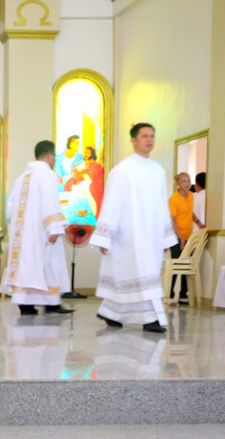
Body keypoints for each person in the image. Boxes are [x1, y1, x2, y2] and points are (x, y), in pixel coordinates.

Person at [91, 123, 177, 333]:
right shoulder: (122, 170)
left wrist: (165, 238)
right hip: (128, 234)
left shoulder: (158, 171)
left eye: (152, 136)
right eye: (144, 136)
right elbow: (111, 203)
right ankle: (151, 319)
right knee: (140, 274)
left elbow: (161, 204)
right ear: (133, 140)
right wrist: (105, 237)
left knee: (137, 276)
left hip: (151, 235)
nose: (149, 140)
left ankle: (110, 311)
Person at [0, 141, 74, 315]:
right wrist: (54, 227)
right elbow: (49, 201)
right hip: (41, 231)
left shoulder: (23, 177)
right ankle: (51, 303)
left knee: (27, 265)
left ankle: (25, 303)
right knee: (48, 263)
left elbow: (10, 208)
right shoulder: (47, 174)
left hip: (23, 234)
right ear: (49, 156)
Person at [167, 172, 202, 304]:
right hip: (175, 237)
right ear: (177, 184)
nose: (187, 184)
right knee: (176, 265)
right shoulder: (173, 199)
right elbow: (173, 221)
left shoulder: (191, 196)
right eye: (183, 181)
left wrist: (198, 222)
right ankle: (170, 294)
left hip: (188, 236)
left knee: (185, 265)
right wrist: (181, 238)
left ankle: (183, 295)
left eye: (188, 181)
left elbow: (189, 212)